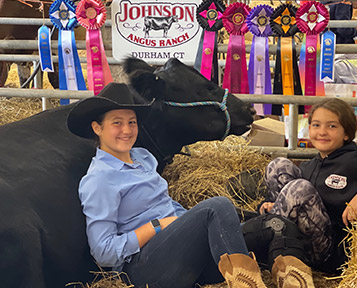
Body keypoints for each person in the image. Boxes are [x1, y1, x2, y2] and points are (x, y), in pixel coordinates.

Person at [66, 82, 271, 288]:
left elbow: (166, 205)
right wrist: (157, 226)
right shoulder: (100, 179)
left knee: (271, 227)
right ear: (97, 128)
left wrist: (191, 224)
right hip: (144, 268)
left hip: (177, 253)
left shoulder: (143, 157)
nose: (127, 130)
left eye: (132, 122)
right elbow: (104, 252)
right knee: (217, 207)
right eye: (117, 123)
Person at [242, 98, 357, 288]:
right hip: (294, 238)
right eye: (316, 125)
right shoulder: (311, 165)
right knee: (278, 165)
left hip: (326, 251)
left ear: (347, 134)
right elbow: (280, 195)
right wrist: (267, 205)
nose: (322, 132)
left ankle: (264, 247)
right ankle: (272, 242)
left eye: (332, 126)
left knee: (300, 189)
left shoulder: (356, 162)